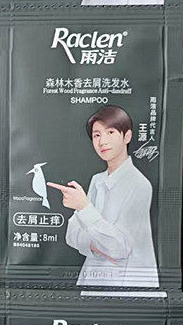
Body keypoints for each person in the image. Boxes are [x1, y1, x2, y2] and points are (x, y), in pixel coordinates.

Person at [47, 105, 158, 287]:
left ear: (127, 136)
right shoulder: (97, 180)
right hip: (92, 279)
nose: (102, 142)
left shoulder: (139, 185)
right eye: (96, 135)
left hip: (125, 286)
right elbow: (71, 234)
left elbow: (119, 248)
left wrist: (84, 208)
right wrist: (98, 245)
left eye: (110, 132)